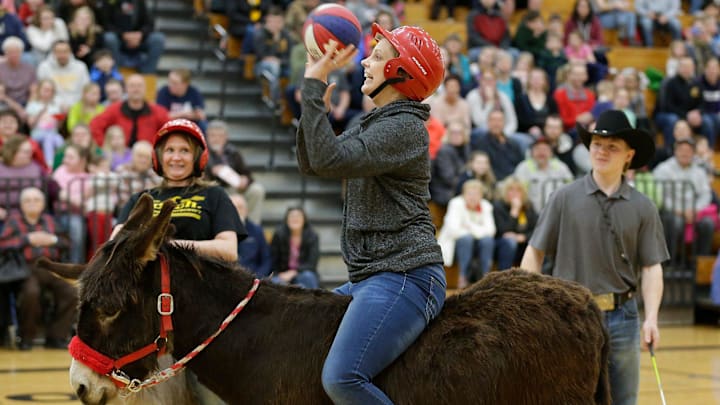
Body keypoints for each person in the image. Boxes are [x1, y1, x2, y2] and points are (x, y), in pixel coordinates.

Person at [297, 23, 447, 403]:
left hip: (405, 276)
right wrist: (313, 105)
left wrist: (314, 91)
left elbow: (328, 159)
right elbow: (313, 163)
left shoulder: (405, 128)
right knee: (303, 344)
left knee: (342, 378)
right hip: (374, 277)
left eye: (377, 56)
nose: (365, 61)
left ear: (400, 72)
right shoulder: (372, 122)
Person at [520, 109, 668, 405]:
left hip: (623, 317)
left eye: (612, 146)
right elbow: (533, 254)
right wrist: (532, 310)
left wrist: (651, 318)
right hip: (569, 318)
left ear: (629, 155)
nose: (602, 151)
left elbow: (652, 268)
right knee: (570, 398)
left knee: (624, 399)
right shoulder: (564, 197)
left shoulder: (643, 207)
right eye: (597, 144)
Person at [112, 119, 245, 405]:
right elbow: (115, 242)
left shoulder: (214, 195)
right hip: (150, 319)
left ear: (198, 157)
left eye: (184, 150)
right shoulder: (142, 198)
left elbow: (228, 249)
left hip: (203, 315)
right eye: (169, 150)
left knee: (210, 398)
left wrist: (169, 246)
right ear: (158, 157)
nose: (176, 157)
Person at [0, 187, 76, 350]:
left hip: (51, 266)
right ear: (21, 205)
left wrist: (53, 240)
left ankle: (57, 337)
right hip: (25, 268)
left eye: (36, 200)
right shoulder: (13, 221)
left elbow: (68, 242)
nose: (32, 203)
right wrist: (26, 239)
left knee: (72, 292)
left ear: (43, 204)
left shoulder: (50, 220)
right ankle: (26, 338)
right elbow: (3, 244)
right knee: (31, 293)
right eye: (28, 200)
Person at [205, 119, 266, 224]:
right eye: (213, 135)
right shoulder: (203, 153)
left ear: (226, 137)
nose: (216, 139)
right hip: (215, 189)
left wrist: (245, 180)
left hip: (235, 188)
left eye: (220, 136)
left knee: (257, 190)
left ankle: (251, 226)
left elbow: (247, 173)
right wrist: (211, 172)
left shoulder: (233, 152)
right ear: (207, 136)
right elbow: (199, 179)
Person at [437, 179, 496, 288]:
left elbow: (491, 231)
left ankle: (486, 277)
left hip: (479, 244)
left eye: (476, 194)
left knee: (487, 240)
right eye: (469, 194)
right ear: (463, 194)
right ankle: (462, 276)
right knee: (466, 239)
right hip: (456, 244)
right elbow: (453, 230)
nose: (472, 197)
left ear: (481, 195)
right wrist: (478, 230)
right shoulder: (455, 203)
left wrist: (469, 226)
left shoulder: (486, 206)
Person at [269, 205, 320, 289]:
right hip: (283, 273)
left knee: (308, 277)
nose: (295, 219)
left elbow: (312, 264)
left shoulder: (313, 236)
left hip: (302, 272)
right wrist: (279, 274)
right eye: (292, 216)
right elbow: (273, 259)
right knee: (276, 282)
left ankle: (314, 301)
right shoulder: (279, 235)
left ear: (304, 219)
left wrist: (294, 272)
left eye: (298, 216)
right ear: (287, 220)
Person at [493, 176, 537, 270]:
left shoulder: (528, 206)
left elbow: (537, 229)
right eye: (511, 190)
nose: (514, 194)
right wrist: (514, 211)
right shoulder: (499, 206)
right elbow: (503, 231)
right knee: (510, 242)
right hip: (502, 245)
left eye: (518, 190)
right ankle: (504, 277)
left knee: (538, 244)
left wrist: (523, 237)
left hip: (523, 243)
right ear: (505, 192)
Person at [230, 193, 271, 278]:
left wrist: (258, 277)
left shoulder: (257, 230)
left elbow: (266, 260)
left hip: (253, 278)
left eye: (240, 207)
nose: (237, 211)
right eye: (233, 207)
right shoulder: (218, 231)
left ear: (246, 210)